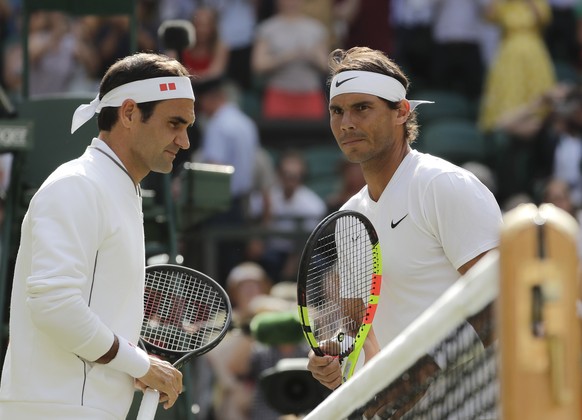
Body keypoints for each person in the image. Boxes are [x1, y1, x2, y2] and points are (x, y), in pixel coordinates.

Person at [0, 52, 196, 419]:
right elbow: (53, 305)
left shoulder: (114, 187)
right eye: (174, 123)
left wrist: (133, 363)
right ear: (128, 113)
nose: (184, 141)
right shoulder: (78, 185)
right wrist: (139, 364)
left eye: (187, 126)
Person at [306, 47, 502, 403]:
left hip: (473, 405)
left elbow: (502, 305)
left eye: (362, 108)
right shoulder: (350, 217)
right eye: (337, 111)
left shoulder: (443, 185)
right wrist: (335, 351)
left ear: (402, 112)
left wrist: (421, 372)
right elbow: (355, 326)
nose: (347, 122)